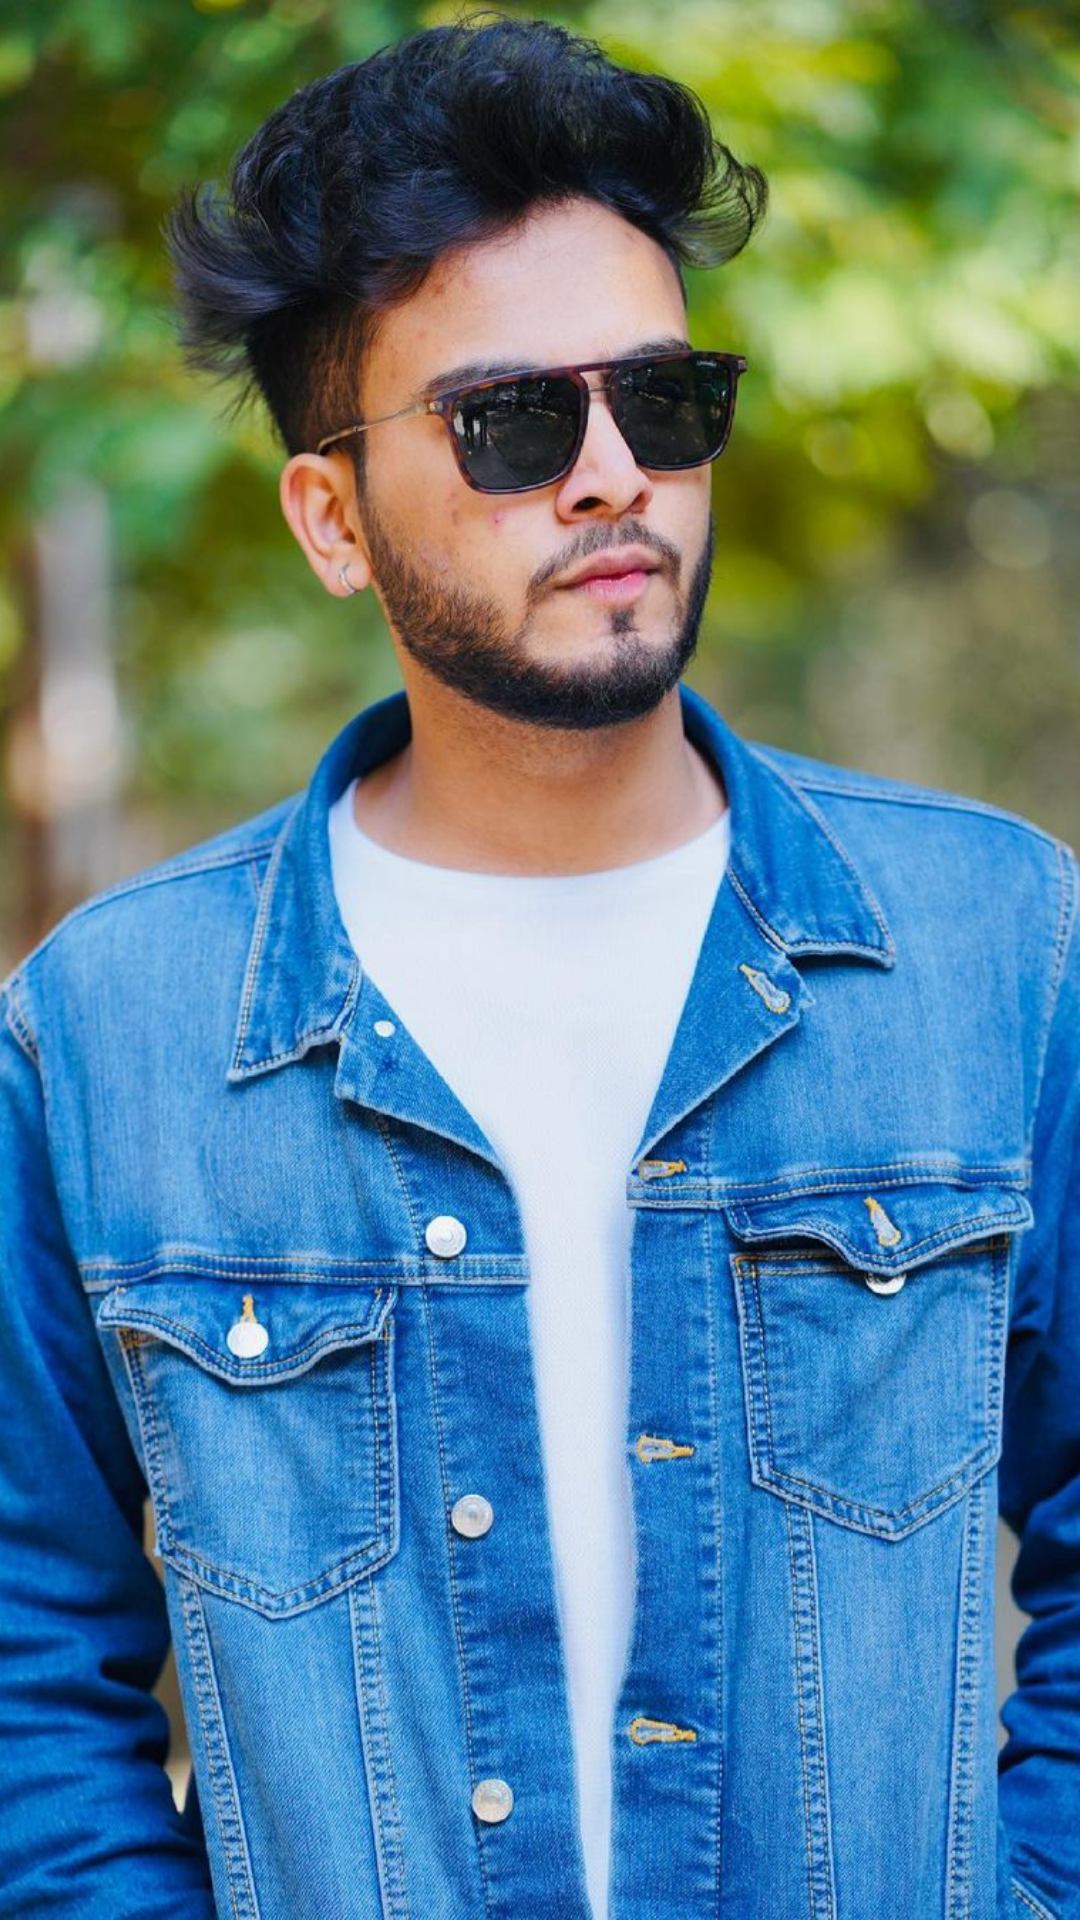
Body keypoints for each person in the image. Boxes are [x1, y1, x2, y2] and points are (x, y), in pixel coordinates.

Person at [0, 13, 1075, 1919]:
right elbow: (27, 1668)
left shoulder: (1003, 954)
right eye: (510, 422)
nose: (608, 477)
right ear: (332, 518)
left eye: (663, 401)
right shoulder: (108, 1036)